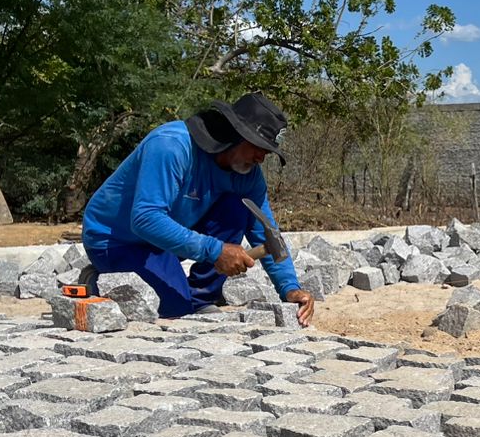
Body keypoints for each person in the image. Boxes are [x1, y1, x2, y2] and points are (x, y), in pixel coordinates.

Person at [82, 93, 315, 322]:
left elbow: (266, 231)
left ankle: (199, 296)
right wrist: (215, 250)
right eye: (259, 148)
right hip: (115, 241)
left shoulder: (248, 175)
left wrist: (289, 288)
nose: (261, 158)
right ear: (237, 134)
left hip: (163, 242)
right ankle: (100, 280)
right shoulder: (171, 146)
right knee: (174, 309)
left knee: (236, 208)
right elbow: (145, 218)